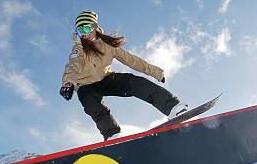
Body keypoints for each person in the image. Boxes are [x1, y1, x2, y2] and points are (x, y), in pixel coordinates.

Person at [60, 10, 188, 141]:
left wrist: (155, 72)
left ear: (95, 28)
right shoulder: (78, 49)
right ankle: (112, 134)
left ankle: (172, 107)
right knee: (94, 106)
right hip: (85, 86)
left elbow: (131, 60)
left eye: (86, 29)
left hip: (106, 79)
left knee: (134, 82)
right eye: (80, 32)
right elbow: (73, 66)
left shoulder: (107, 46)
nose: (84, 35)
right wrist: (68, 83)